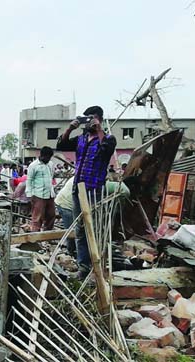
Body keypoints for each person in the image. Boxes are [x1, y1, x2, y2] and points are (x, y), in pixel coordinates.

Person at [56, 105, 117, 278]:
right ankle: (84, 268)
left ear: (99, 118)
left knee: (95, 228)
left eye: (92, 118)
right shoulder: (81, 138)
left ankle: (98, 265)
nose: (88, 122)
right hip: (78, 189)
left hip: (94, 190)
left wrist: (99, 130)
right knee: (81, 229)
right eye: (87, 118)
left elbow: (106, 151)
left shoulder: (108, 139)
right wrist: (70, 128)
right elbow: (61, 144)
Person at [55, 176, 130, 256]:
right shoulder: (103, 185)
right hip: (66, 204)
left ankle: (78, 254)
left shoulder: (91, 178)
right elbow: (125, 191)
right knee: (73, 232)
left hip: (71, 200)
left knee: (79, 232)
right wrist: (118, 208)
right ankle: (72, 254)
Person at [26, 146, 56, 232]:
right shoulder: (33, 165)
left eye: (50, 157)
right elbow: (29, 180)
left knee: (51, 215)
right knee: (37, 217)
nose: (48, 159)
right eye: (47, 157)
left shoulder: (51, 164)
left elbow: (51, 177)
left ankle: (48, 234)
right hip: (38, 194)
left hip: (50, 194)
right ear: (42, 156)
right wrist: (30, 195)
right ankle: (35, 236)